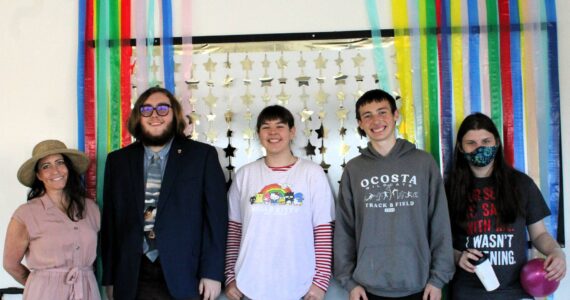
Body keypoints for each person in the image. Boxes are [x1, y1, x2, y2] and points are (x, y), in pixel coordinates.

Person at [101, 86, 228, 300]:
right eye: (146, 109)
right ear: (138, 116)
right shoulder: (118, 161)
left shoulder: (201, 156)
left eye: (162, 108)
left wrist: (212, 273)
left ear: (175, 114)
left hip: (187, 274)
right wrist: (110, 277)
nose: (154, 115)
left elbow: (216, 220)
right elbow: (111, 223)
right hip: (132, 274)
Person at [334, 89, 455, 300]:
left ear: (395, 115)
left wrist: (438, 279)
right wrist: (349, 282)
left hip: (420, 286)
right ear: (360, 123)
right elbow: (344, 228)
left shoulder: (423, 163)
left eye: (382, 112)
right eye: (367, 115)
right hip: (366, 288)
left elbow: (440, 223)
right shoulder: (354, 169)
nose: (376, 120)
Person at [445, 112, 566, 299]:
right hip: (468, 292)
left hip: (515, 292)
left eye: (486, 142)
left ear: (497, 143)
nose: (480, 148)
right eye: (471, 143)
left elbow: (539, 234)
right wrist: (457, 257)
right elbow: (438, 242)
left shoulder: (521, 184)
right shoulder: (449, 189)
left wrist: (556, 252)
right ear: (461, 147)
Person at [224, 105, 335, 300]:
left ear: (292, 132)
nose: (273, 132)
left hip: (301, 286)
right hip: (249, 285)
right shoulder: (245, 175)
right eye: (266, 127)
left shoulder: (312, 173)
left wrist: (320, 282)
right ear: (258, 133)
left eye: (280, 126)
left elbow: (323, 230)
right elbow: (234, 230)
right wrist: (231, 277)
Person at [3, 140, 100, 299]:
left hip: (87, 290)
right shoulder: (25, 214)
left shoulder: (91, 209)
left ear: (68, 167)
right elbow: (10, 264)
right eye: (46, 166)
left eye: (60, 162)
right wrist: (40, 284)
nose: (55, 170)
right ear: (38, 175)